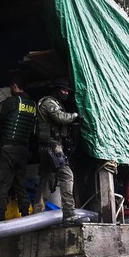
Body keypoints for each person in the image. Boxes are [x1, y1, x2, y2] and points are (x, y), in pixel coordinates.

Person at [34, 83, 87, 223]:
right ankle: (69, 213)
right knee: (66, 175)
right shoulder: (48, 102)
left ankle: (37, 214)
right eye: (63, 90)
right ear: (56, 90)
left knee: (46, 179)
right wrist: (75, 116)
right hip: (51, 147)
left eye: (68, 91)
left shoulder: (56, 103)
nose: (66, 93)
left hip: (52, 146)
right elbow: (59, 117)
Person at [0, 76, 36, 221]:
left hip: (8, 148)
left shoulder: (12, 101)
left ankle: (0, 218)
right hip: (23, 150)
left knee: (3, 183)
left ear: (14, 86)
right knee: (20, 184)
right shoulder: (32, 105)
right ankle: (26, 215)